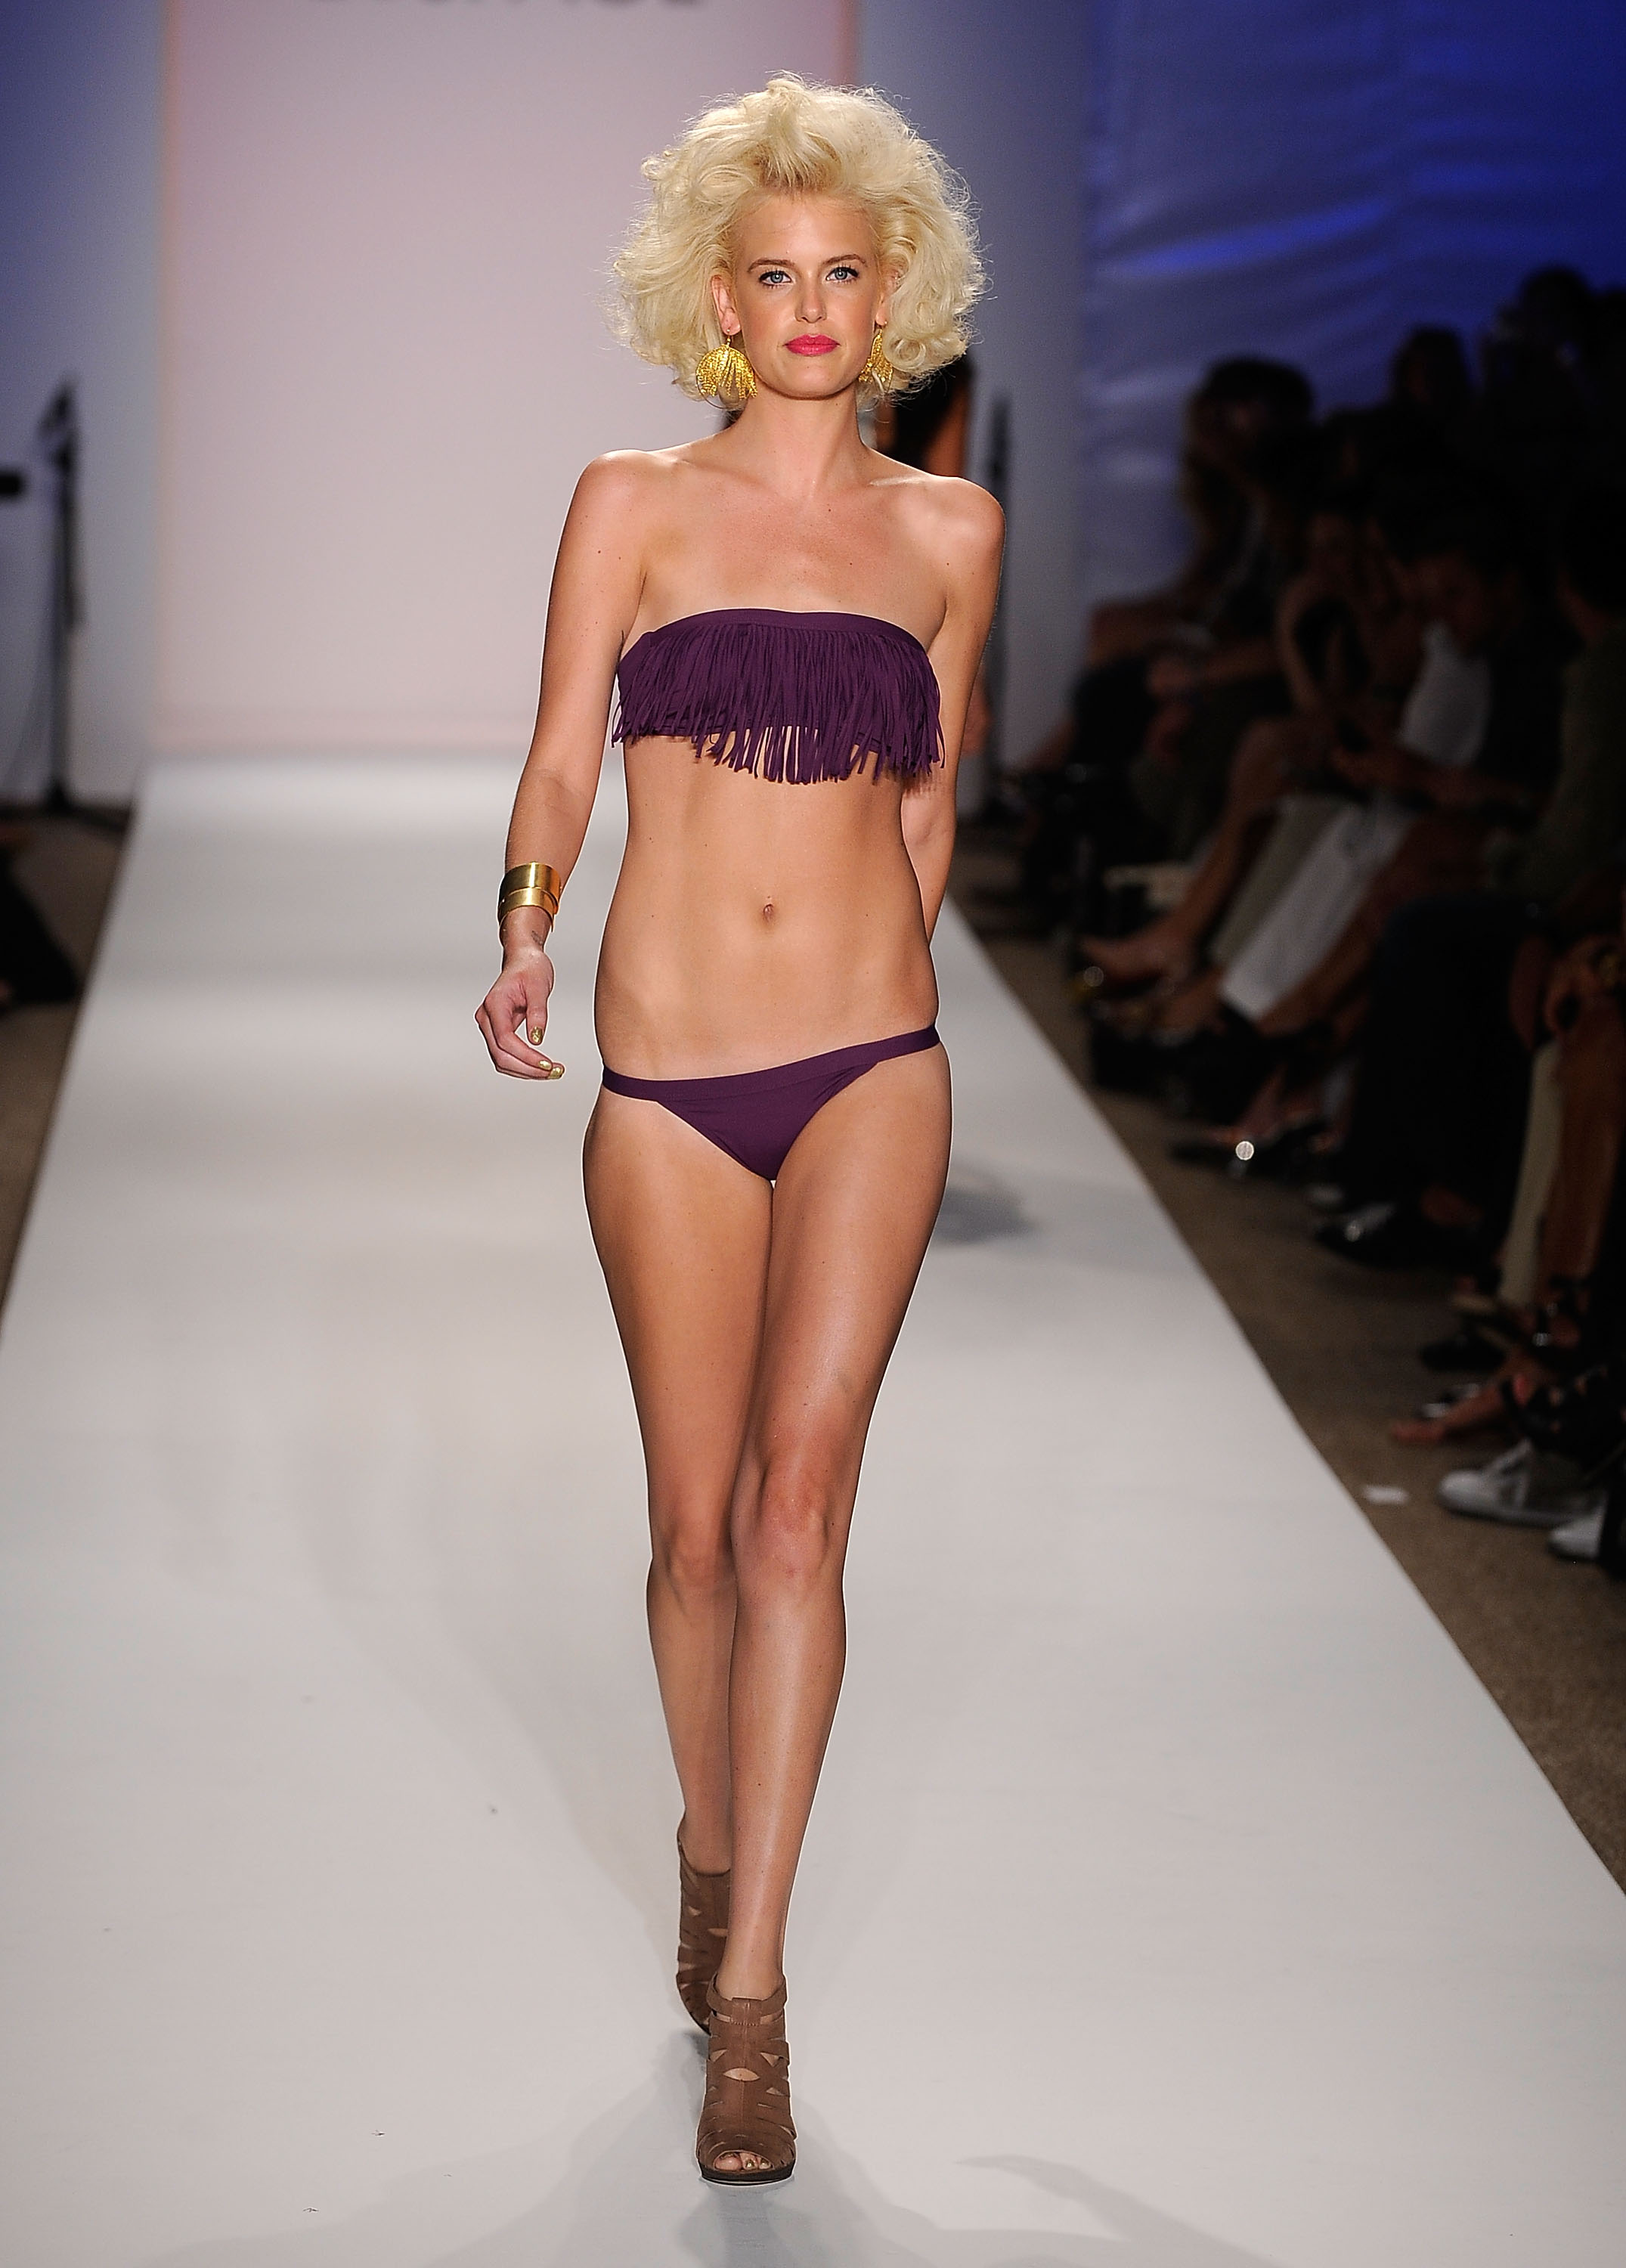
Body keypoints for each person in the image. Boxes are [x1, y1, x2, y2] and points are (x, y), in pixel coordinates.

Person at [473, 76, 1001, 2186]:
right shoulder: (632, 503)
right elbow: (557, 756)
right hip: (671, 1081)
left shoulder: (952, 534)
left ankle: (755, 2004)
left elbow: (933, 803)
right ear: (714, 297)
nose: (807, 308)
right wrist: (524, 929)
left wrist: (885, 967)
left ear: (895, 293)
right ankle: (710, 1851)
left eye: (841, 274)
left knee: (799, 1518)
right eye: (770, 276)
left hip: (874, 1062)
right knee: (694, 1531)